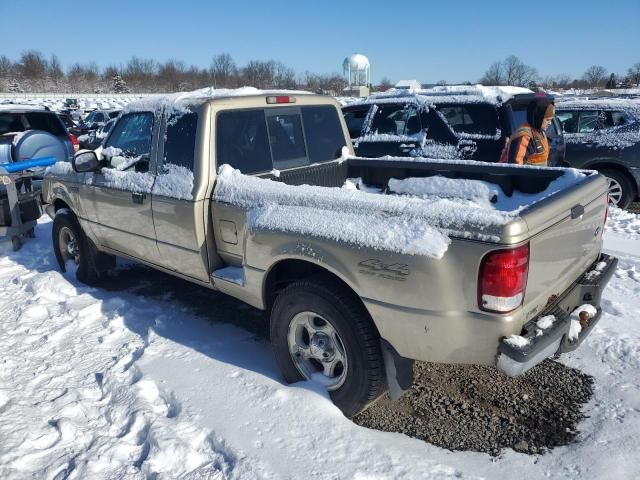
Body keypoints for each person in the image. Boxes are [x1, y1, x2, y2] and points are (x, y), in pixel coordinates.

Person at [507, 98, 555, 166]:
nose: (550, 123)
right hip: (528, 176)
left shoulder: (540, 132)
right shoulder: (525, 137)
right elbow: (516, 166)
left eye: (551, 120)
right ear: (539, 118)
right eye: (547, 120)